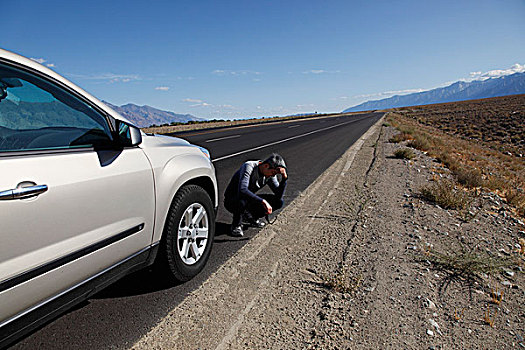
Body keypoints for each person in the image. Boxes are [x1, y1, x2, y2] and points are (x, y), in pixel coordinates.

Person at [224, 153, 288, 237]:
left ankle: (251, 218)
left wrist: (284, 179)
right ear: (266, 166)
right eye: (272, 172)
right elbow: (243, 190)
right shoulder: (249, 166)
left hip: (247, 199)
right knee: (242, 198)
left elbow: (278, 196)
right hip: (232, 200)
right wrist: (263, 201)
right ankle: (236, 225)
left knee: (279, 202)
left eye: (275, 174)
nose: (273, 175)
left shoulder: (270, 175)